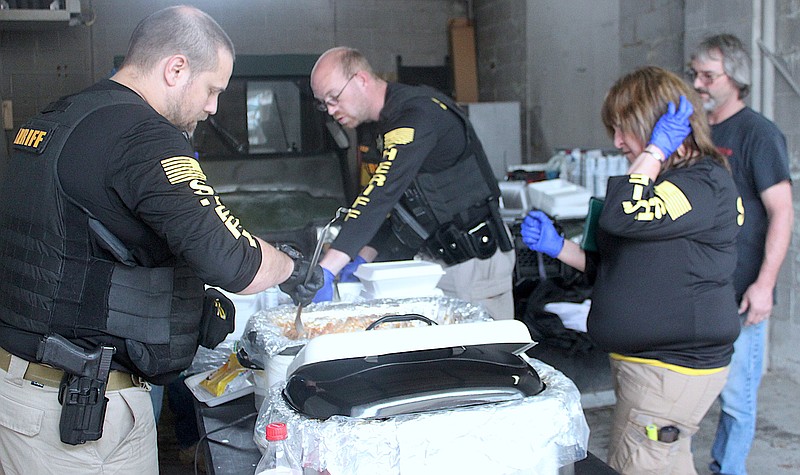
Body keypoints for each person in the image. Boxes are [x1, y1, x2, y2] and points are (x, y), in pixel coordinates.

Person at [0, 6, 322, 474]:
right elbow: (233, 261)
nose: (212, 107)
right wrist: (291, 268)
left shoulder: (57, 117)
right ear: (176, 69)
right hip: (70, 411)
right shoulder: (143, 134)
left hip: (41, 388)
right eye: (212, 90)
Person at [522, 66, 742, 474]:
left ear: (661, 127)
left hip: (670, 369)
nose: (618, 142)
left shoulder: (700, 184)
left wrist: (653, 152)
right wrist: (559, 247)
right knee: (666, 462)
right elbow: (621, 269)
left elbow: (625, 212)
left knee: (638, 464)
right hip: (651, 369)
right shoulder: (673, 183)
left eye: (624, 130)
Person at [309, 47, 516, 320]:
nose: (331, 110)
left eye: (334, 98)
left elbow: (380, 194)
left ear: (360, 79)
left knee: (485, 358)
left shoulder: (416, 114)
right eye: (324, 103)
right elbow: (401, 206)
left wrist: (329, 268)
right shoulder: (386, 123)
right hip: (439, 262)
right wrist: (362, 257)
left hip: (475, 264)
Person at [689, 34, 793, 475]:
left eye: (708, 76)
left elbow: (782, 211)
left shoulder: (759, 134)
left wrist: (765, 285)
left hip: (741, 291)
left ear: (736, 78)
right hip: (699, 286)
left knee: (737, 395)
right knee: (690, 389)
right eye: (694, 74)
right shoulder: (700, 131)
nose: (698, 84)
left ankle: (727, 470)